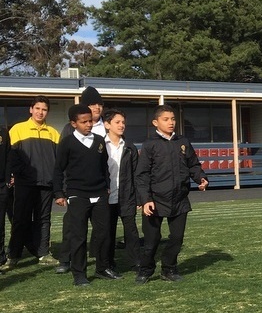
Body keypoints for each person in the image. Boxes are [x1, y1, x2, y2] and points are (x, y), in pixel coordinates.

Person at [134, 105, 208, 284]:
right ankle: (146, 270)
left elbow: (193, 165)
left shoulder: (183, 142)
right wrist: (146, 200)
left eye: (173, 119)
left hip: (179, 200)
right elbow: (141, 175)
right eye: (166, 119)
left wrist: (201, 178)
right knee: (151, 241)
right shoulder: (150, 145)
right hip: (155, 201)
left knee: (177, 238)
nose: (171, 123)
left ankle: (169, 269)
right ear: (155, 122)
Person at [53, 104, 118, 286]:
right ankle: (79, 274)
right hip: (77, 195)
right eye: (84, 122)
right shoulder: (66, 143)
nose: (88, 124)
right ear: (73, 123)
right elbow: (58, 170)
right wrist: (59, 193)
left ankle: (103, 268)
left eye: (90, 120)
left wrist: (106, 186)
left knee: (103, 234)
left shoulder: (99, 140)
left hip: (100, 194)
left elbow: (104, 166)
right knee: (79, 236)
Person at [56, 86, 107, 273]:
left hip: (100, 186)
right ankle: (66, 260)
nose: (97, 108)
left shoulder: (107, 125)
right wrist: (61, 191)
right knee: (73, 228)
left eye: (99, 104)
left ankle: (102, 262)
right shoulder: (70, 131)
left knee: (103, 229)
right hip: (77, 189)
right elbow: (62, 164)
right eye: (92, 104)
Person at [6, 95, 60, 268]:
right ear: (31, 109)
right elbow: (12, 157)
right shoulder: (18, 129)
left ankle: (43, 253)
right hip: (25, 183)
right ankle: (13, 255)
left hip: (46, 184)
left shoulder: (53, 133)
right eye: (37, 108)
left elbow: (58, 161)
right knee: (20, 219)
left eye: (44, 109)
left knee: (43, 219)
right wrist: (23, 174)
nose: (40, 112)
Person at [103, 109, 142, 271]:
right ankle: (108, 262)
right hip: (106, 197)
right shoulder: (99, 146)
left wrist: (139, 198)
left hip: (127, 197)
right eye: (117, 122)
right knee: (107, 232)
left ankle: (136, 262)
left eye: (123, 122)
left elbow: (137, 175)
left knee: (131, 232)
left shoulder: (130, 147)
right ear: (107, 125)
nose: (121, 125)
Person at [0, 125, 13, 269]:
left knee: (0, 224)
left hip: (1, 186)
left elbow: (9, 157)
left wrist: (7, 179)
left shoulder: (3, 132)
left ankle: (0, 258)